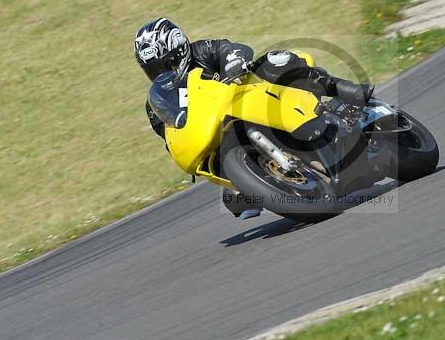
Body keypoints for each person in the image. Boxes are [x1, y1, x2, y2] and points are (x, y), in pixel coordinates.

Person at [134, 17, 374, 218]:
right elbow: (169, 132)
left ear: (179, 51)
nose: (159, 73)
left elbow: (232, 49)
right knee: (235, 202)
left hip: (255, 99)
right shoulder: (156, 101)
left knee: (275, 61)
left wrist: (233, 63)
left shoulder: (202, 51)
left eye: (164, 64)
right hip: (218, 132)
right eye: (152, 69)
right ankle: (273, 181)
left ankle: (345, 93)